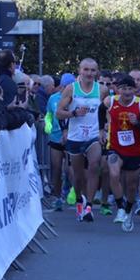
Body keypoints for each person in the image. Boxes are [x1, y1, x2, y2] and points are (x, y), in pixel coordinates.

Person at [56, 58, 106, 222]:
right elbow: (58, 113)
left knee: (94, 165)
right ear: (80, 71)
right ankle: (79, 200)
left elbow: (107, 112)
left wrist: (103, 129)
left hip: (93, 136)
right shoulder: (71, 89)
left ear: (96, 72)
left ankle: (89, 206)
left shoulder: (102, 90)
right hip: (75, 137)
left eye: (93, 70)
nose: (89, 73)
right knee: (77, 176)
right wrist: (74, 113)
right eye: (86, 70)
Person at [103, 74, 140, 232]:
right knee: (114, 174)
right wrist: (101, 128)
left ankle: (129, 210)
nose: (126, 91)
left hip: (134, 150)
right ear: (118, 89)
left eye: (130, 88)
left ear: (135, 90)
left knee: (131, 186)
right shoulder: (110, 101)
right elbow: (100, 112)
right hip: (115, 147)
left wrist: (137, 123)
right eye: (123, 88)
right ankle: (120, 207)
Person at [43, 74, 70, 211]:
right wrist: (47, 126)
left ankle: (72, 192)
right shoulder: (53, 98)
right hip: (55, 137)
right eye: (64, 86)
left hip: (71, 138)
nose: (66, 89)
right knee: (56, 167)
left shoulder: (75, 98)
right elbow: (48, 114)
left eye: (69, 86)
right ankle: (57, 197)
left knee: (71, 169)